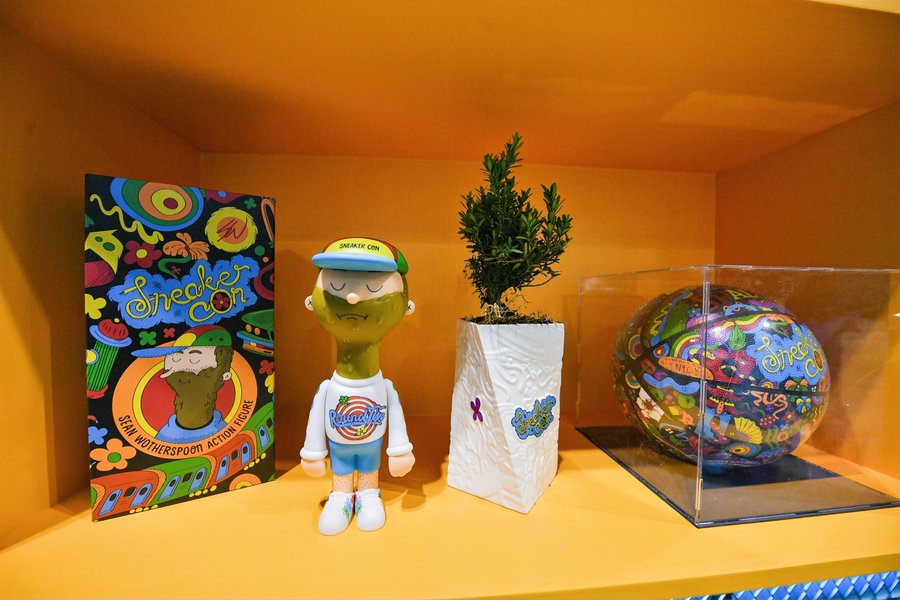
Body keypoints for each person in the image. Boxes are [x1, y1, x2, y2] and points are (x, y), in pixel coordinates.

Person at [299, 237, 416, 535]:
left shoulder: (384, 387)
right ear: (311, 302)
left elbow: (396, 414)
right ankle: (340, 495)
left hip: (372, 448)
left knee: (368, 467)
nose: (352, 297)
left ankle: (368, 493)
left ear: (406, 307)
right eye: (337, 286)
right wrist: (313, 452)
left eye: (373, 289)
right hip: (338, 449)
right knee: (340, 468)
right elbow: (316, 416)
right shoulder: (328, 388)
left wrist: (399, 449)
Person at [133, 325, 234, 443]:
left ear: (225, 376)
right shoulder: (164, 435)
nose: (181, 369)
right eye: (176, 358)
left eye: (194, 359)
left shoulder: (224, 432)